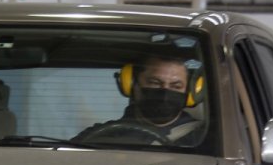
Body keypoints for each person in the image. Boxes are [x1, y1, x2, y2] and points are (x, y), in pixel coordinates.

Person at [74, 52, 204, 146]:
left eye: (176, 86)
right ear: (132, 85)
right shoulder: (99, 135)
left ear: (190, 93)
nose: (165, 92)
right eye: (155, 83)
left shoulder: (202, 137)